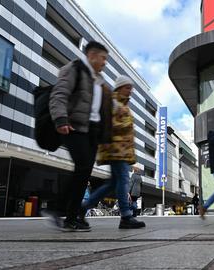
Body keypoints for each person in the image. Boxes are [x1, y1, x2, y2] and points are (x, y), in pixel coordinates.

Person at [48, 41, 113, 232]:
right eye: (103, 58)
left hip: (91, 131)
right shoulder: (75, 68)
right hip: (74, 126)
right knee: (82, 168)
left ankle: (73, 215)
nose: (104, 63)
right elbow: (59, 94)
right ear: (92, 55)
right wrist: (60, 118)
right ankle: (62, 212)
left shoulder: (99, 80)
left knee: (83, 172)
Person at [82, 75, 146, 229]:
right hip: (115, 150)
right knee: (122, 181)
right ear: (119, 87)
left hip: (121, 151)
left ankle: (83, 208)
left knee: (113, 183)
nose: (130, 91)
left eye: (131, 88)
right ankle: (125, 216)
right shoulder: (113, 103)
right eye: (127, 87)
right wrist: (125, 123)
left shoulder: (122, 105)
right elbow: (110, 125)